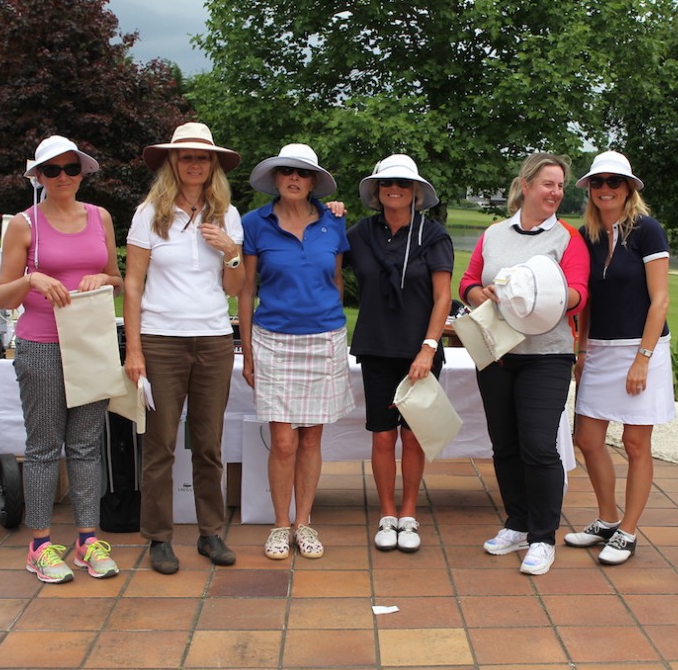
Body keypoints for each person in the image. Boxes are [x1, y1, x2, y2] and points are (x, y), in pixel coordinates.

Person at [0, 135, 122, 583]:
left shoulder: (99, 217)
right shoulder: (25, 224)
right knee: (45, 446)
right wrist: (32, 280)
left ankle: (88, 540)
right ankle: (40, 545)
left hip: (90, 341)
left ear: (82, 172)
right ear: (38, 177)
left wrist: (100, 277)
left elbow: (117, 280)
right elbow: (0, 293)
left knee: (87, 444)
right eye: (52, 170)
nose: (63, 177)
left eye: (71, 168)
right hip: (42, 343)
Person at [459, 152, 589, 575]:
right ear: (527, 185)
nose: (555, 192)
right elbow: (468, 282)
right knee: (505, 444)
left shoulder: (568, 238)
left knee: (538, 445)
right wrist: (483, 295)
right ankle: (516, 524)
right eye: (547, 184)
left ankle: (542, 537)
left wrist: (535, 296)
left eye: (559, 185)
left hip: (546, 356)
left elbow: (579, 294)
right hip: (497, 353)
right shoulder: (495, 234)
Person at [124, 122, 244, 574]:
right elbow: (132, 285)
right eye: (186, 156)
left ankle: (210, 533)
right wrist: (134, 350)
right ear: (173, 162)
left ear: (213, 164)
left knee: (209, 442)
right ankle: (158, 537)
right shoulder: (149, 213)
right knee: (161, 444)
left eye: (203, 157)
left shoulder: (227, 214)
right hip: (161, 339)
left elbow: (235, 286)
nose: (194, 163)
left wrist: (231, 250)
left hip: (213, 337)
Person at [239, 144, 354, 561]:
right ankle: (279, 524)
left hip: (323, 339)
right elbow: (246, 289)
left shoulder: (333, 222)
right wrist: (248, 352)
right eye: (286, 171)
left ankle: (304, 521)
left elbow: (336, 280)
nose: (293, 178)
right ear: (275, 178)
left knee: (310, 439)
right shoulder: (254, 223)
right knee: (283, 440)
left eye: (302, 173)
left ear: (312, 182)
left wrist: (330, 321)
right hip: (273, 339)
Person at [565, 151, 674, 566]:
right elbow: (587, 301)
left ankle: (628, 530)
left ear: (629, 188)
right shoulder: (586, 235)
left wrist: (643, 358)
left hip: (641, 348)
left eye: (614, 182)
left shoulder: (647, 231)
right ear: (590, 190)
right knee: (588, 439)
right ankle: (607, 518)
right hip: (600, 350)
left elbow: (660, 300)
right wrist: (582, 349)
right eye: (598, 182)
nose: (605, 189)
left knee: (634, 443)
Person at [346, 154, 453, 553]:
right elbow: (329, 260)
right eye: (387, 183)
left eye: (403, 185)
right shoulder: (360, 232)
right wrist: (329, 213)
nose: (395, 189)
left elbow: (443, 297)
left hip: (419, 351)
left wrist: (428, 347)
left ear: (415, 192)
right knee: (381, 437)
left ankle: (409, 514)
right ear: (376, 190)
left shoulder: (433, 234)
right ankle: (386, 514)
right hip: (376, 347)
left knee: (412, 438)